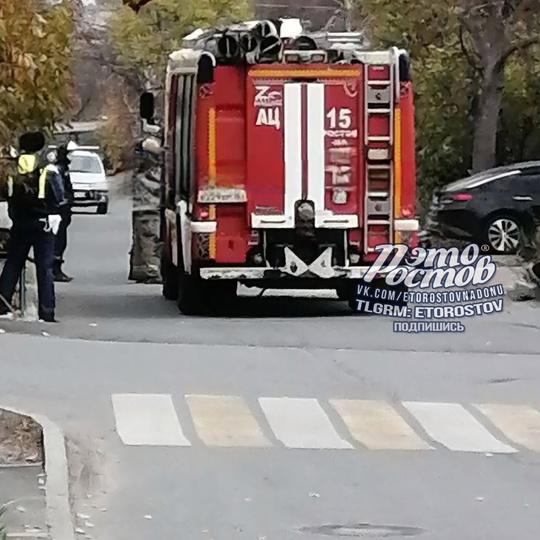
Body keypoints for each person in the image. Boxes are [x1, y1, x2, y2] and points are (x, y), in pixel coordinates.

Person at [0, 132, 66, 323]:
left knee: (13, 263)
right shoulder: (47, 168)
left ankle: (2, 304)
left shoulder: (13, 168)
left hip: (19, 222)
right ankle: (47, 311)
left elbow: (5, 192)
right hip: (43, 223)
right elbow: (59, 196)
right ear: (40, 146)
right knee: (45, 268)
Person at [53, 144, 74, 282]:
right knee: (59, 241)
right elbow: (61, 191)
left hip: (64, 210)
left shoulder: (63, 168)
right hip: (60, 210)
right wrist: (65, 202)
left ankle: (56, 269)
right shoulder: (59, 169)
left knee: (61, 240)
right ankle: (55, 270)